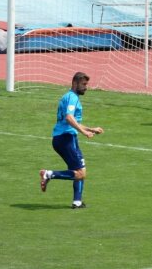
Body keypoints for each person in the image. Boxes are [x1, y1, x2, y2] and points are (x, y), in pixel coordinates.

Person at [39, 72, 104, 209]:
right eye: (83, 84)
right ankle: (48, 174)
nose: (86, 87)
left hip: (67, 138)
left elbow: (73, 121)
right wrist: (84, 132)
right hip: (65, 139)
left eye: (86, 84)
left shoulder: (69, 97)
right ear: (75, 83)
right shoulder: (72, 98)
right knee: (80, 173)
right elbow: (69, 118)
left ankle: (77, 201)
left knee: (80, 170)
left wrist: (91, 129)